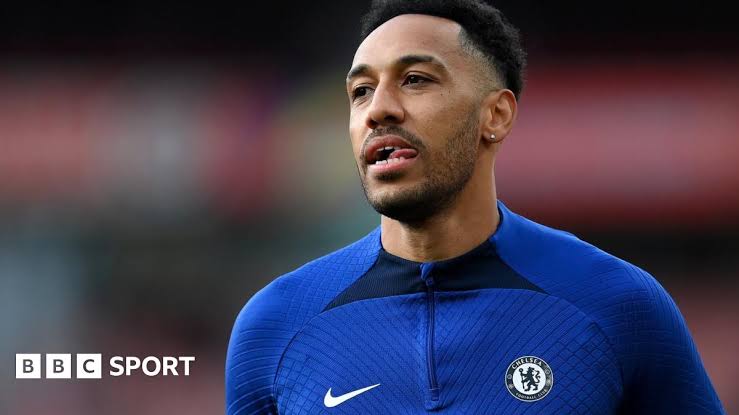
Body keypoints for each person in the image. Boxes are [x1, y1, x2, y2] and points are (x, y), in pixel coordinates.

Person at [225, 1, 725, 413]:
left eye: (415, 79)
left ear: (496, 115)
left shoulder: (617, 305)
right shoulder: (274, 326)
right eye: (361, 91)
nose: (378, 109)